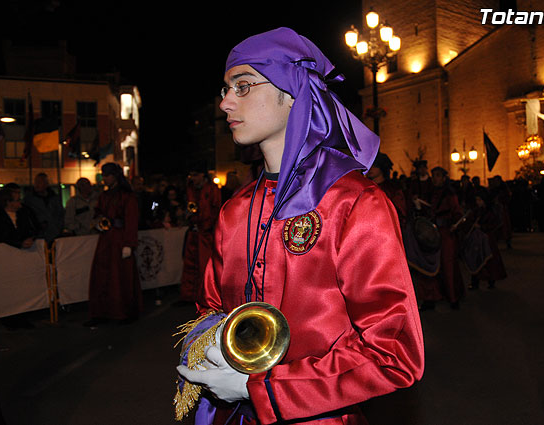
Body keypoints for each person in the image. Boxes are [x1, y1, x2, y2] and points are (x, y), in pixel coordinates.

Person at [176, 27, 424, 425]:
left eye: (242, 87)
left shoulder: (354, 203)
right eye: (225, 89)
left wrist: (266, 389)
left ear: (290, 93)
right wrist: (212, 348)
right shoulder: (234, 210)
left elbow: (393, 354)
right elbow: (210, 307)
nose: (224, 102)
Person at [85, 162, 142, 327]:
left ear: (115, 176)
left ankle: (124, 312)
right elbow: (98, 213)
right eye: (103, 175)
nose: (104, 178)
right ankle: (102, 312)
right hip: (106, 240)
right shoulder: (104, 196)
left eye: (107, 175)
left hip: (120, 239)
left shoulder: (127, 196)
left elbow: (131, 221)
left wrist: (129, 244)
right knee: (102, 276)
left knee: (121, 277)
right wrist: (97, 222)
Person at [178, 162, 221, 304]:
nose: (192, 178)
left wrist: (206, 225)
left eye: (195, 175)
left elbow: (215, 211)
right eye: (191, 175)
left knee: (204, 266)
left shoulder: (212, 190)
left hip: (206, 234)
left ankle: (204, 298)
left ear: (203, 175)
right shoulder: (190, 189)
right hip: (194, 232)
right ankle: (188, 296)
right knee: (190, 266)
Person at [429, 166, 466, 309]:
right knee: (435, 265)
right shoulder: (432, 193)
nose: (435, 178)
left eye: (438, 175)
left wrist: (454, 224)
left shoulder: (450, 194)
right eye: (434, 175)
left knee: (449, 265)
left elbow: (457, 212)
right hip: (435, 233)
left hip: (447, 233)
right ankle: (439, 295)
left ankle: (453, 297)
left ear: (444, 178)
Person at [23, 172, 64, 245]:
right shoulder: (29, 200)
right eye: (36, 182)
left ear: (46, 184)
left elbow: (61, 214)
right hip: (38, 235)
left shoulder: (54, 198)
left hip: (55, 234)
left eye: (39, 182)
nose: (36, 185)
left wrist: (58, 227)